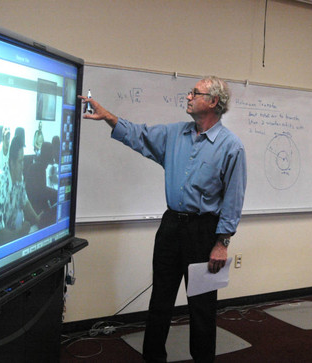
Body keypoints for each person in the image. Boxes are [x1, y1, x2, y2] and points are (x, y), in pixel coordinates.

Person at [80, 76, 247, 363]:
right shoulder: (174, 135)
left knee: (202, 307)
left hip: (204, 232)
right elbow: (139, 135)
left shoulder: (232, 147)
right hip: (171, 227)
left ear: (213, 102)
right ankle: (153, 358)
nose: (189, 96)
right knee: (160, 301)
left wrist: (222, 242)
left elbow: (233, 199)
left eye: (196, 93)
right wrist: (107, 116)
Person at [0, 135, 42, 250]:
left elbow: (25, 202)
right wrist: (20, 233)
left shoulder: (19, 177)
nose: (23, 166)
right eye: (20, 162)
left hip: (13, 240)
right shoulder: (2, 182)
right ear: (12, 163)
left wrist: (39, 221)